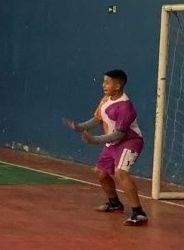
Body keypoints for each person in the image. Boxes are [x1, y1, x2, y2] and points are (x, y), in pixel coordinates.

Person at [63, 69, 148, 226]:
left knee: (120, 173)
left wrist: (94, 140)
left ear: (117, 86)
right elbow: (97, 119)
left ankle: (138, 213)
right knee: (100, 172)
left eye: (107, 82)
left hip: (129, 141)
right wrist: (79, 127)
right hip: (112, 142)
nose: (103, 85)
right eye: (104, 81)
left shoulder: (125, 107)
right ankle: (114, 203)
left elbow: (119, 135)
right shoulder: (106, 99)